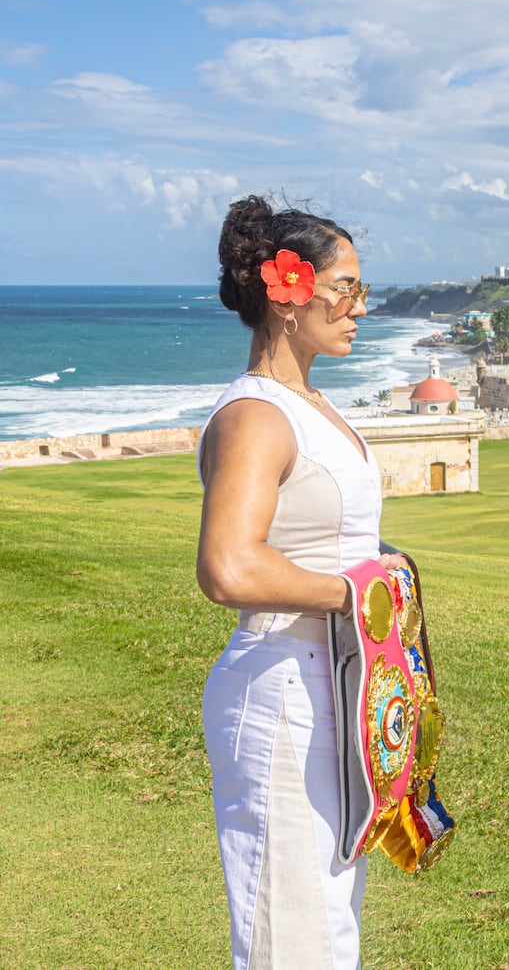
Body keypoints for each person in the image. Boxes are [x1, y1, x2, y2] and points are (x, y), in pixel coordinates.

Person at [196, 194, 403, 969]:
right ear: (287, 293)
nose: (359, 306)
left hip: (332, 682)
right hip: (283, 688)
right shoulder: (257, 415)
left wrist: (380, 568)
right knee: (293, 930)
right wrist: (359, 593)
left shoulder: (309, 404)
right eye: (345, 286)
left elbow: (322, 537)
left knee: (326, 918)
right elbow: (229, 565)